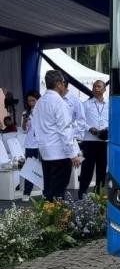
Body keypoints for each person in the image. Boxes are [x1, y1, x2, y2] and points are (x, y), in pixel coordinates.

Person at [31, 70, 81, 202]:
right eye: (63, 83)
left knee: (48, 189)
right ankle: (55, 214)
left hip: (45, 152)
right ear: (58, 84)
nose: (64, 86)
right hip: (60, 153)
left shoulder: (39, 102)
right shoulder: (59, 102)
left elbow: (35, 127)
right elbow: (65, 130)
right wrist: (73, 154)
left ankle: (47, 214)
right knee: (58, 191)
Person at [79, 79, 109, 198]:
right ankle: (81, 194)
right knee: (87, 169)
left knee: (102, 170)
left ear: (104, 89)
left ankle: (99, 195)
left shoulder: (109, 104)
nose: (96, 88)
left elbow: (112, 119)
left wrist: (107, 129)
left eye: (99, 86)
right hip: (89, 141)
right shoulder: (86, 104)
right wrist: (89, 128)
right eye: (94, 86)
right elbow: (80, 121)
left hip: (103, 141)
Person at [20, 90, 41, 201]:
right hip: (30, 144)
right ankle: (27, 192)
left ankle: (46, 191)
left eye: (33, 100)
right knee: (30, 168)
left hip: (42, 144)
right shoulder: (25, 112)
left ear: (38, 100)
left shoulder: (43, 111)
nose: (31, 103)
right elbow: (24, 130)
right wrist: (24, 122)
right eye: (29, 101)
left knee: (44, 168)